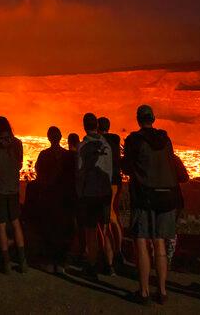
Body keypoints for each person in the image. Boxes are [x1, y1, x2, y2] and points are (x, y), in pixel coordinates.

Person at [121, 105, 182, 305]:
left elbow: (128, 167)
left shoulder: (134, 140)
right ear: (153, 119)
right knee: (159, 243)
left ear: (138, 119)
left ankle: (144, 292)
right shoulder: (166, 139)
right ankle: (162, 291)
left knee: (141, 243)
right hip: (166, 198)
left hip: (143, 197)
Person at [0, 115, 26, 274]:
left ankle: (7, 263)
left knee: (1, 227)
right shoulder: (17, 143)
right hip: (14, 189)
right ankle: (22, 262)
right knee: (16, 223)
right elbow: (20, 163)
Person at [77, 113, 115, 278]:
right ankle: (109, 265)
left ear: (84, 125)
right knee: (104, 230)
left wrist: (80, 192)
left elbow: (80, 172)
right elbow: (110, 170)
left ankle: (92, 266)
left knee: (91, 231)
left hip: (90, 194)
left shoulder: (83, 146)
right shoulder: (106, 145)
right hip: (105, 193)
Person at [33, 126, 71, 273]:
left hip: (49, 197)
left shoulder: (44, 155)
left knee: (49, 229)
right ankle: (61, 262)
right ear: (60, 137)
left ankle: (49, 261)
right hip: (63, 197)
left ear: (49, 138)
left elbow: (38, 172)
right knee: (62, 230)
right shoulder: (68, 155)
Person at [98, 116, 124, 263]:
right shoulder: (115, 139)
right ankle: (118, 250)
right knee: (113, 214)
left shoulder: (99, 142)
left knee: (108, 217)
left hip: (105, 183)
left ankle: (111, 253)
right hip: (116, 181)